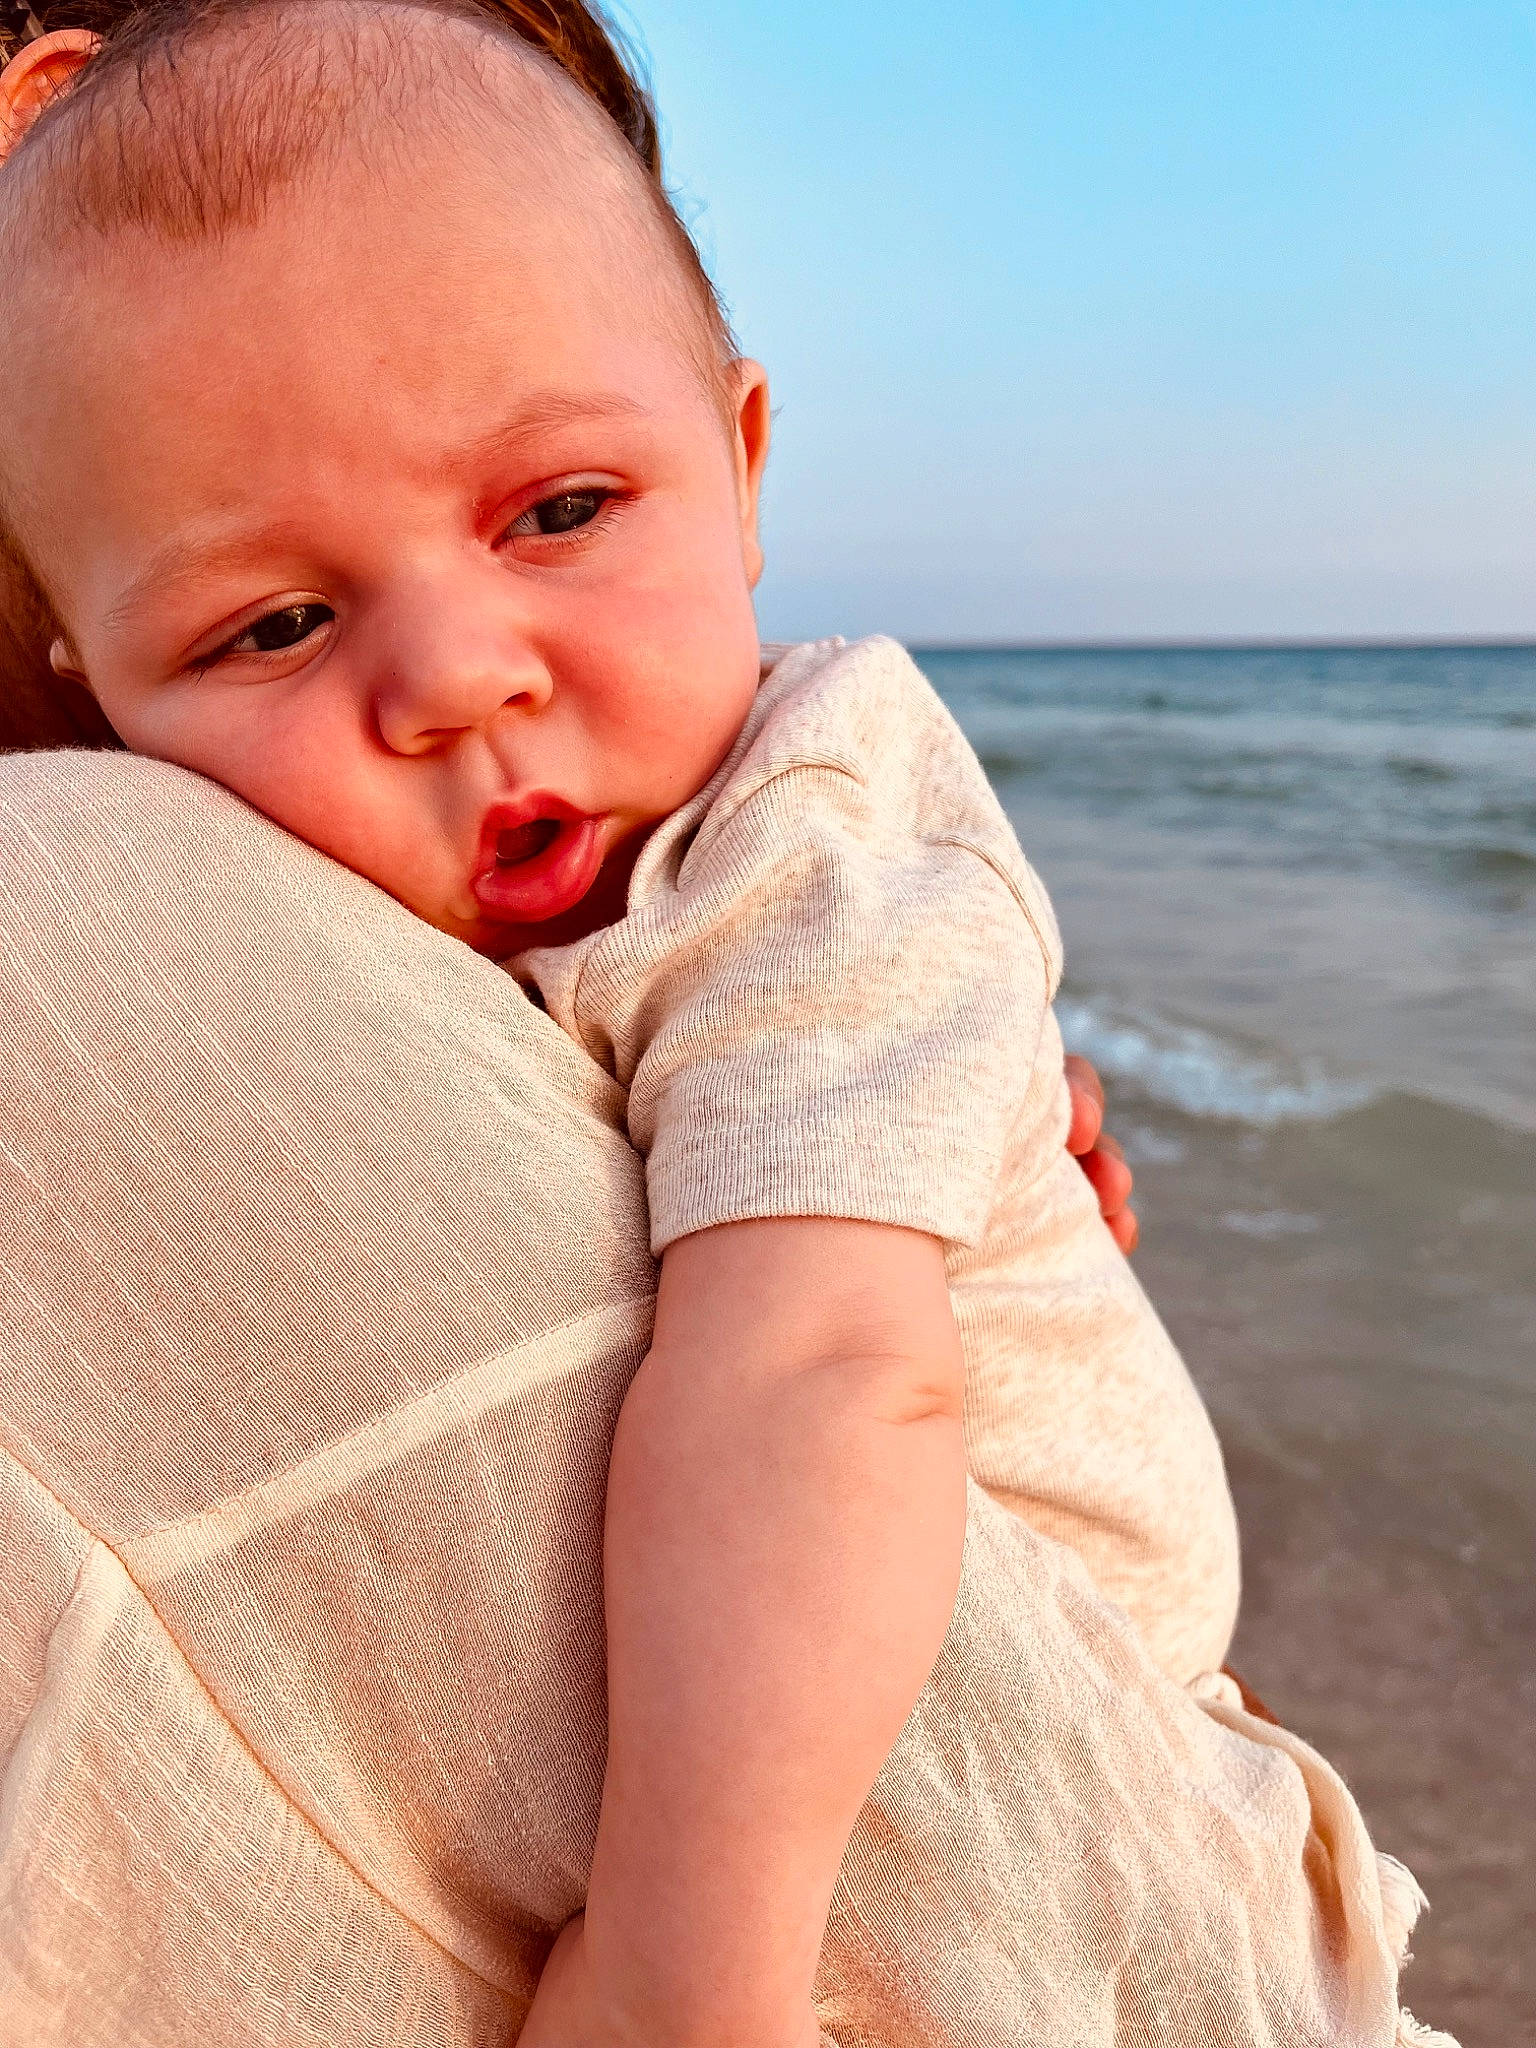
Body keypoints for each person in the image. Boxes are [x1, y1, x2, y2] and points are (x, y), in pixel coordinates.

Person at [0, 3, 1450, 2044]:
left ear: (746, 466)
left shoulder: (807, 832)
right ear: (93, 692)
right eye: (274, 624)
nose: (453, 671)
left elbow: (830, 1382)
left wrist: (689, 1955)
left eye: (563, 508)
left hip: (1033, 1700)